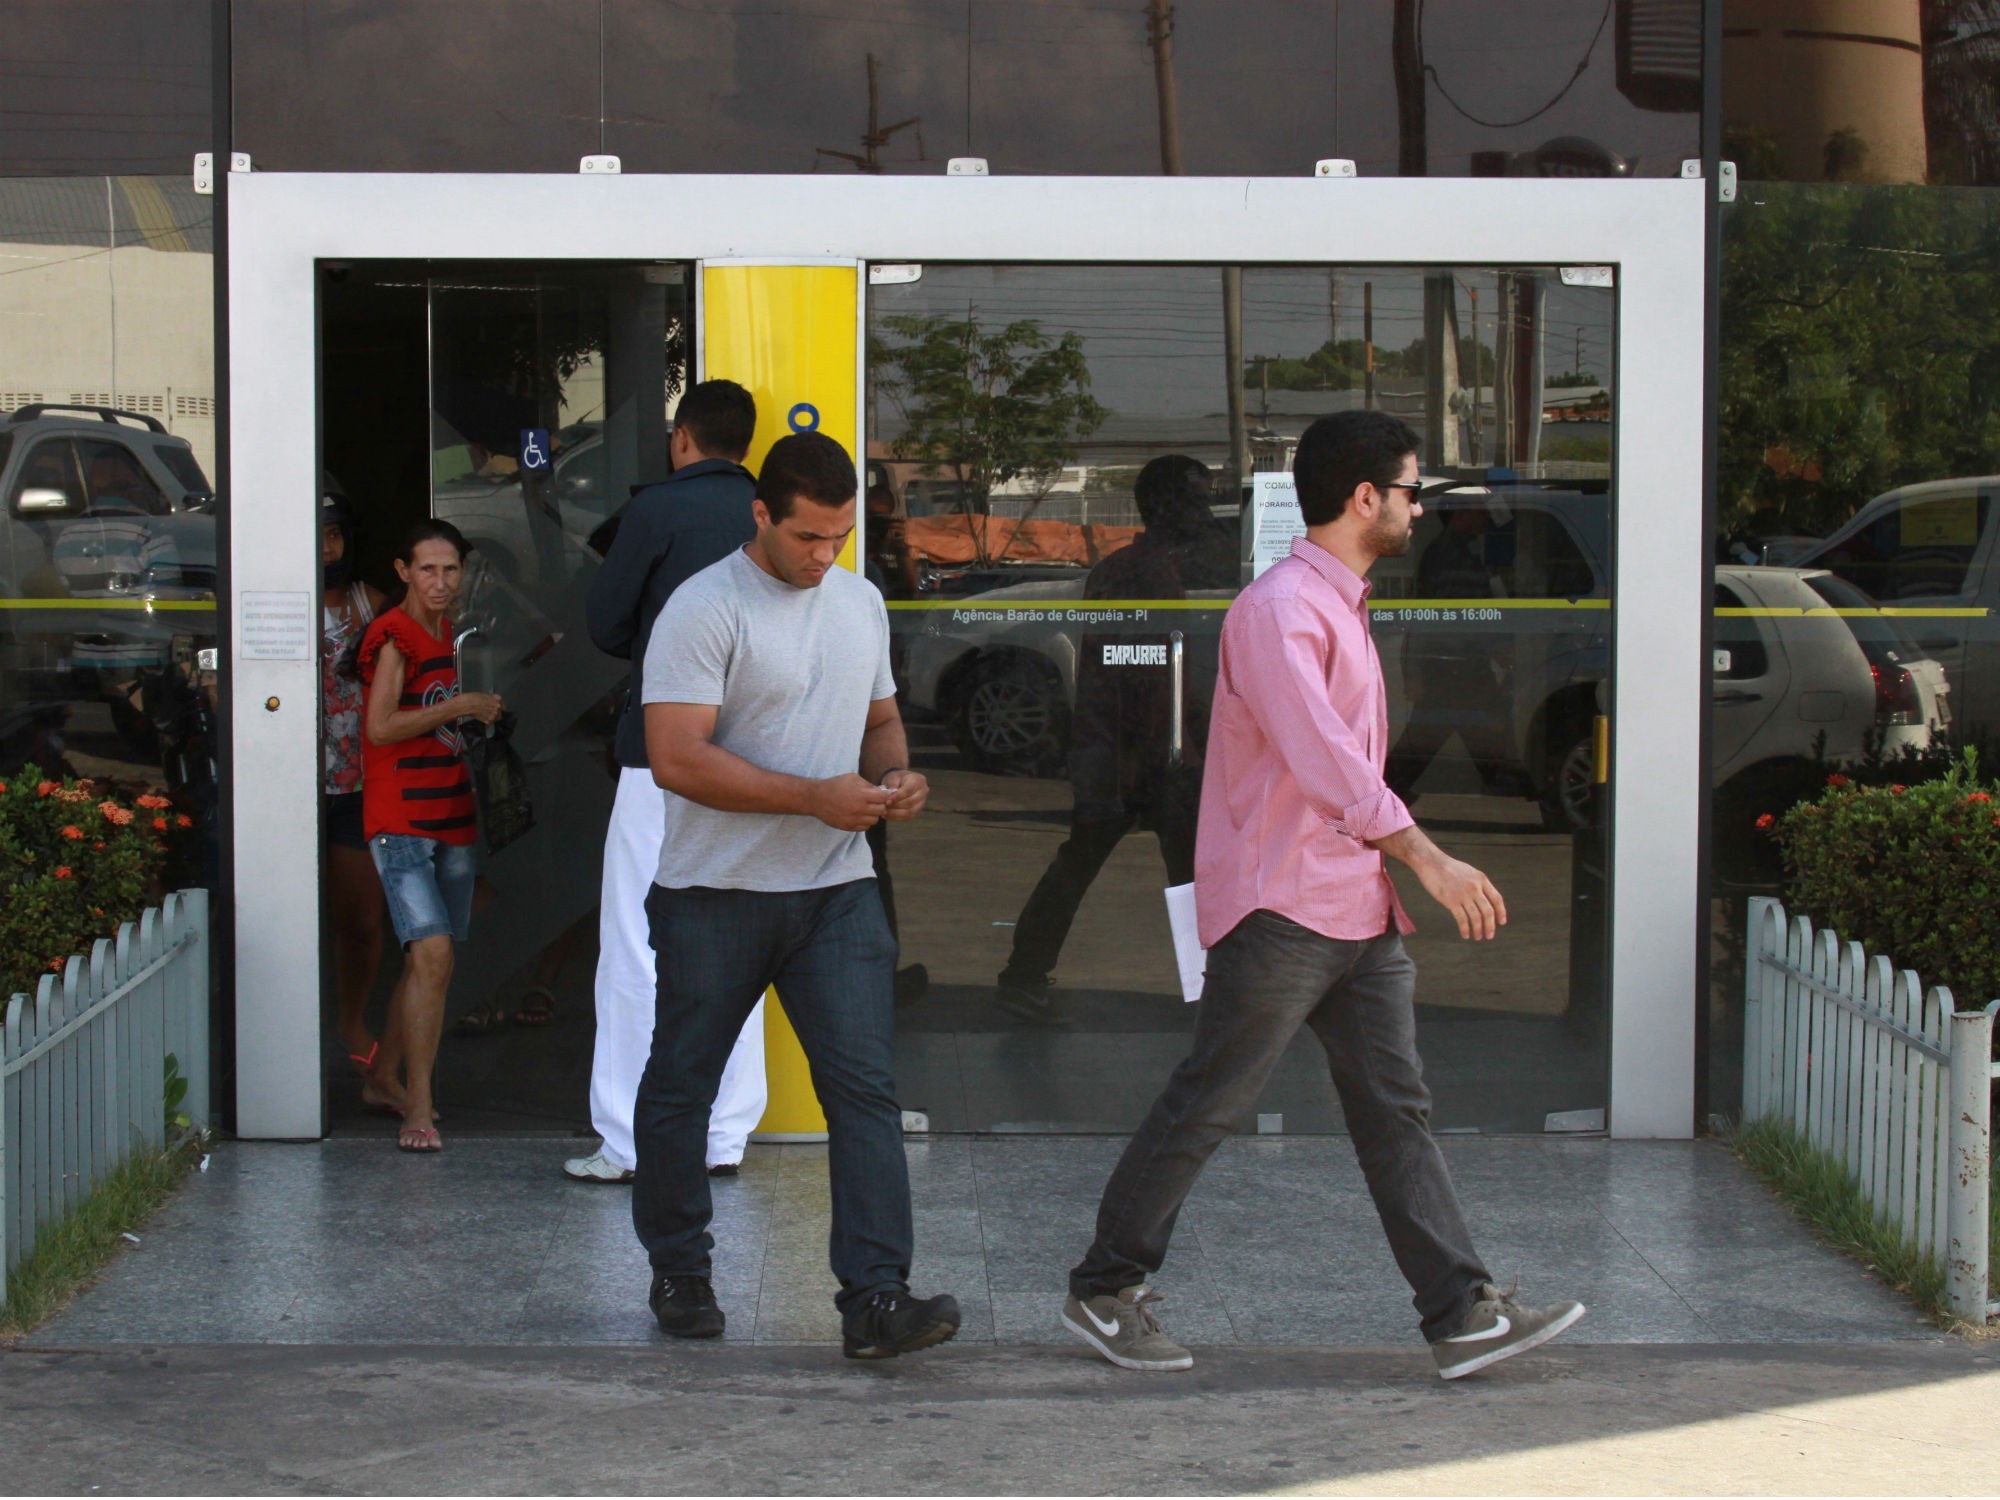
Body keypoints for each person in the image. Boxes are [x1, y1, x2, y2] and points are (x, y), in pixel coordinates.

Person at [1059, 412, 1583, 1379]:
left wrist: (1395, 869)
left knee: (1395, 1108)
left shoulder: (1339, 604)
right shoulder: (1280, 611)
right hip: (1283, 909)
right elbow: (1326, 761)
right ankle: (1104, 1285)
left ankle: (1460, 1311)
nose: (1420, 509)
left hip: (1355, 906)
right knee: (1211, 1100)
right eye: (1412, 490)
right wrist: (1428, 858)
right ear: (1364, 496)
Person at [631, 430, 960, 1358]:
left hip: (835, 891)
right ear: (761, 515)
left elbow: (881, 719)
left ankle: (876, 1299)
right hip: (714, 892)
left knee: (864, 1092)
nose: (825, 556)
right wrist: (813, 796)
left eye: (841, 537)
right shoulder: (704, 607)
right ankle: (680, 1270)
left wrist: (895, 777)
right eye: (808, 537)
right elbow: (676, 758)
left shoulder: (860, 600)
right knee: (683, 1087)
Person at [566, 379, 766, 1185]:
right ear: (745, 443)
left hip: (662, 756)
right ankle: (724, 1135)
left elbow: (605, 622)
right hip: (755, 765)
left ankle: (629, 1140)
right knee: (744, 942)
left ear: (682, 437)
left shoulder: (656, 511)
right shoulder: (772, 512)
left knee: (636, 942)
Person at [995, 454, 1235, 1025]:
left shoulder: (1141, 568)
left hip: (1127, 749)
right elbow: (1146, 674)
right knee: (1181, 876)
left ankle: (1024, 975)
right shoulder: (1146, 573)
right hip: (1140, 751)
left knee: (1092, 864)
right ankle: (1210, 994)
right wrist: (1179, 748)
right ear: (1163, 506)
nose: (1204, 512)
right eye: (1195, 499)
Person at [357, 519, 504, 1152]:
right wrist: (463, 705)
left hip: (449, 813)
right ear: (403, 571)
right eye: (427, 570)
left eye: (450, 569)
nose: (440, 582)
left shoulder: (445, 630)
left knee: (428, 964)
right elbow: (381, 726)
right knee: (434, 955)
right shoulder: (394, 634)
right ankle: (418, 1105)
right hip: (402, 820)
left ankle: (382, 1078)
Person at [319, 487, 392, 1099]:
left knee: (361, 920)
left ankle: (350, 1021)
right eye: (316, 536)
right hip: (282, 785)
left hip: (355, 783)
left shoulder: (371, 604)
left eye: (335, 534)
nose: (327, 548)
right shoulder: (271, 599)